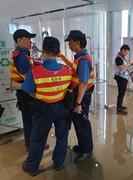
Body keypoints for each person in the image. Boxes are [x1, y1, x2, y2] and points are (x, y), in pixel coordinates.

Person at [21, 37, 72, 176]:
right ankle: (59, 163)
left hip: (44, 109)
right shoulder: (67, 70)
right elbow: (69, 87)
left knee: (38, 138)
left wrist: (40, 95)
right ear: (59, 51)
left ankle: (32, 167)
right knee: (62, 136)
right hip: (62, 108)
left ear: (43, 51)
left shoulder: (35, 72)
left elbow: (28, 90)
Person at [10, 29, 49, 151]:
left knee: (29, 118)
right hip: (27, 92)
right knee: (31, 119)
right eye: (28, 39)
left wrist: (38, 63)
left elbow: (30, 67)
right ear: (19, 40)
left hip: (24, 91)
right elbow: (28, 75)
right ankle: (33, 145)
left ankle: (31, 143)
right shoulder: (20, 56)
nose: (31, 42)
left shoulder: (24, 54)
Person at [60, 30, 95, 159]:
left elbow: (83, 84)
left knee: (81, 121)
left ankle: (85, 150)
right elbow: (75, 69)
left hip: (82, 95)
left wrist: (78, 103)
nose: (69, 44)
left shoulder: (84, 60)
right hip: (80, 94)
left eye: (70, 42)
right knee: (80, 120)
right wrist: (63, 57)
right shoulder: (79, 58)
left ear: (77, 42)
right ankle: (85, 146)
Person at [114, 45, 133, 115]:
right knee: (121, 93)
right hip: (120, 78)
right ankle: (118, 108)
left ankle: (120, 105)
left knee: (122, 92)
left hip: (124, 77)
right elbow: (121, 68)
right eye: (126, 52)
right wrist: (129, 64)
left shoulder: (122, 58)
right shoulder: (118, 58)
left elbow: (125, 67)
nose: (127, 54)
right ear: (123, 50)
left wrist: (131, 64)